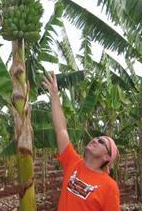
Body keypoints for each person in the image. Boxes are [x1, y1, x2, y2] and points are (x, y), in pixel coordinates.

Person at [43, 71, 120, 211]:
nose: (95, 140)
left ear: (107, 157)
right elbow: (61, 130)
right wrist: (54, 95)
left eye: (102, 142)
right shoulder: (73, 162)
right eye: (96, 138)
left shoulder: (109, 186)